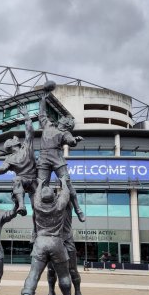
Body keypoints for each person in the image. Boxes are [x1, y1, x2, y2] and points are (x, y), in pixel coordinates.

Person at [17, 176, 78, 295]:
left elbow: (37, 194)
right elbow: (66, 193)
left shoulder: (37, 205)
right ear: (53, 197)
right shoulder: (59, 205)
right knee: (64, 275)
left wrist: (40, 184)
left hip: (40, 243)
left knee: (33, 275)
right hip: (56, 242)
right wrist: (63, 182)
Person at [36, 92, 85, 223]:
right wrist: (42, 101)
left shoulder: (65, 132)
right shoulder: (47, 125)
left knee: (67, 184)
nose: (63, 118)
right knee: (40, 186)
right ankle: (38, 220)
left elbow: (70, 141)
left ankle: (78, 209)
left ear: (68, 124)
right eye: (64, 118)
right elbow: (42, 115)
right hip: (43, 158)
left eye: (66, 119)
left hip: (57, 159)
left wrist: (75, 140)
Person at [0, 105, 36, 217]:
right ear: (11, 145)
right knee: (17, 179)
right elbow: (1, 170)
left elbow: (29, 130)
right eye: (13, 140)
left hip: (36, 180)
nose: (16, 140)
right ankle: (21, 205)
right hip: (23, 181)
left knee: (37, 208)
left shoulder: (26, 147)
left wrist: (26, 116)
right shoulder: (9, 158)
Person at [45, 201, 83, 295]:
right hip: (53, 241)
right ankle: (51, 292)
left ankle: (78, 293)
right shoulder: (48, 207)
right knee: (51, 270)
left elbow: (69, 189)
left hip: (67, 239)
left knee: (72, 270)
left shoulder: (67, 204)